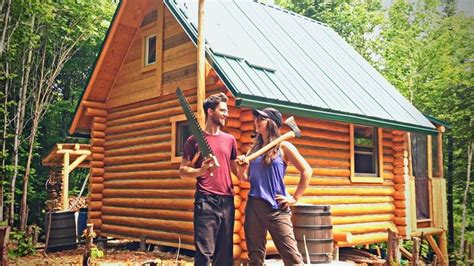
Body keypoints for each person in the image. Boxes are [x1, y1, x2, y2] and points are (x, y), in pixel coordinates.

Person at [237, 107, 312, 266]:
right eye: (256, 118)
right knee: (255, 258)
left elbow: (307, 171)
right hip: (254, 206)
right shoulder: (254, 150)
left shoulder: (284, 147)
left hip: (276, 207)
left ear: (272, 123)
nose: (256, 121)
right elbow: (245, 179)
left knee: (292, 258)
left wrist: (294, 198)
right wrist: (242, 169)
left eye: (261, 118)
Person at [179, 92, 242, 266]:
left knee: (224, 255)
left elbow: (238, 171)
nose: (226, 114)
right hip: (205, 201)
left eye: (227, 110)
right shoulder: (194, 141)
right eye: (222, 110)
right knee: (204, 254)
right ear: (210, 112)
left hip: (227, 201)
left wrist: (245, 167)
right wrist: (201, 170)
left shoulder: (230, 140)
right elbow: (182, 171)